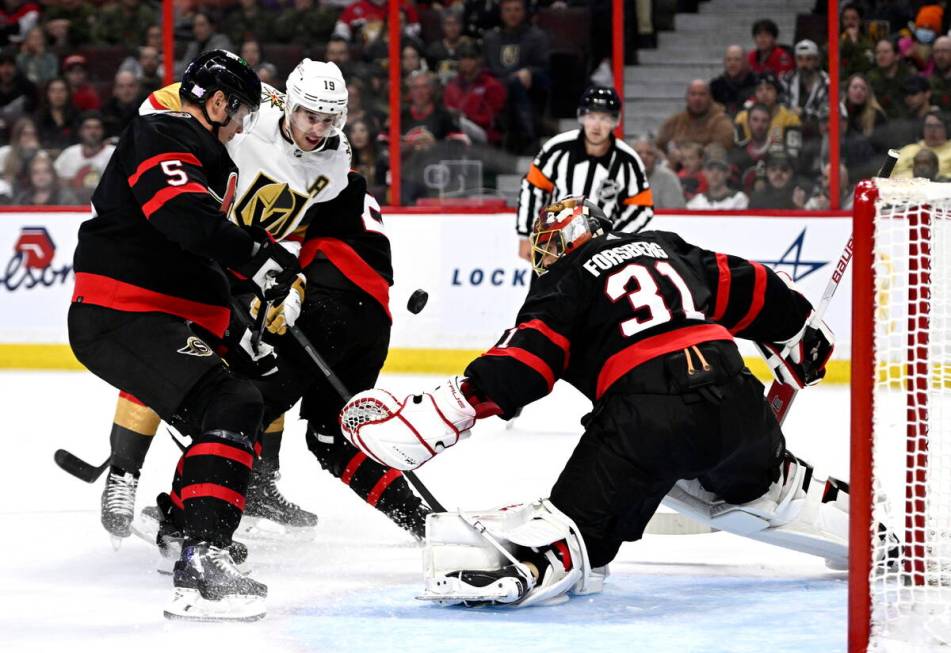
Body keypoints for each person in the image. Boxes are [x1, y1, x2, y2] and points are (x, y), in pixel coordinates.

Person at [339, 195, 841, 608]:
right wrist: (799, 331)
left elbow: (526, 363)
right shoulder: (664, 246)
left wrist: (440, 412)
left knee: (576, 536)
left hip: (646, 421)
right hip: (739, 403)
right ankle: (848, 514)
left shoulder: (565, 279)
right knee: (774, 482)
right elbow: (752, 285)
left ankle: (538, 557)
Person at [99, 58, 429, 547]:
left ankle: (253, 486)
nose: (319, 129)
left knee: (261, 364)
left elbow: (305, 225)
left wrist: (287, 279)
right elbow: (165, 108)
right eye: (311, 116)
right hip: (197, 242)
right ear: (289, 105)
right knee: (175, 352)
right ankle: (124, 475)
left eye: (330, 118)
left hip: (246, 261)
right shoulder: (253, 110)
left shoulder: (335, 160)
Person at [68, 50, 297, 621]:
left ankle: (179, 526)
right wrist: (261, 256)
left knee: (243, 399)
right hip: (121, 313)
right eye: (240, 112)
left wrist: (247, 298)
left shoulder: (214, 162)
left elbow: (200, 254)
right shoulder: (163, 131)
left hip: (165, 317)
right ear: (217, 103)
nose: (244, 125)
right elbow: (184, 219)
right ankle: (201, 560)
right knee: (230, 399)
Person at [516, 86, 652, 262]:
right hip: (554, 245)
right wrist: (525, 234)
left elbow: (642, 207)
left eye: (604, 118)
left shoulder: (628, 160)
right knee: (547, 290)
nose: (596, 125)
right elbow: (532, 187)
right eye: (591, 116)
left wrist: (612, 237)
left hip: (601, 253)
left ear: (615, 121)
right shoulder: (557, 148)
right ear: (582, 117)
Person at [53, 110, 114, 203]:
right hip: (73, 207)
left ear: (103, 131)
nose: (93, 132)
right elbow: (56, 180)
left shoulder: (114, 153)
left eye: (97, 128)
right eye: (88, 128)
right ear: (81, 131)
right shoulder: (69, 153)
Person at [631, 134, 685, 209]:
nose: (644, 157)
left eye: (649, 153)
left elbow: (676, 214)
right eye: (639, 153)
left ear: (656, 158)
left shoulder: (668, 178)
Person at [709, 45, 757, 117]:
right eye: (729, 60)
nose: (732, 63)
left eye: (737, 59)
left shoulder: (757, 84)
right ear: (724, 62)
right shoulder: (715, 87)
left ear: (746, 62)